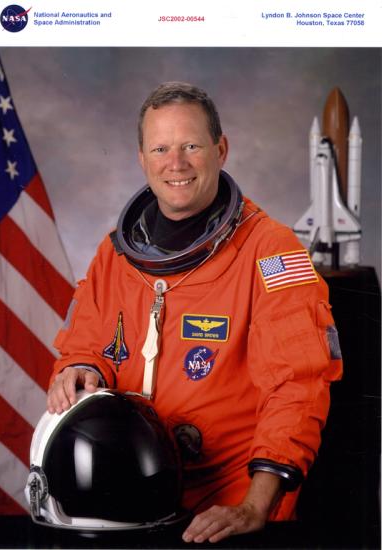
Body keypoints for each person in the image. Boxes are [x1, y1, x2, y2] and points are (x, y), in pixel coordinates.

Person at [47, 82, 343, 543]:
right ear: (142, 159)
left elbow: (297, 385)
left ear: (221, 149)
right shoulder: (115, 255)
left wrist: (254, 505)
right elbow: (86, 342)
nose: (176, 163)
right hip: (129, 499)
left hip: (228, 506)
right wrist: (79, 367)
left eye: (190, 146)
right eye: (160, 148)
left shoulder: (270, 252)